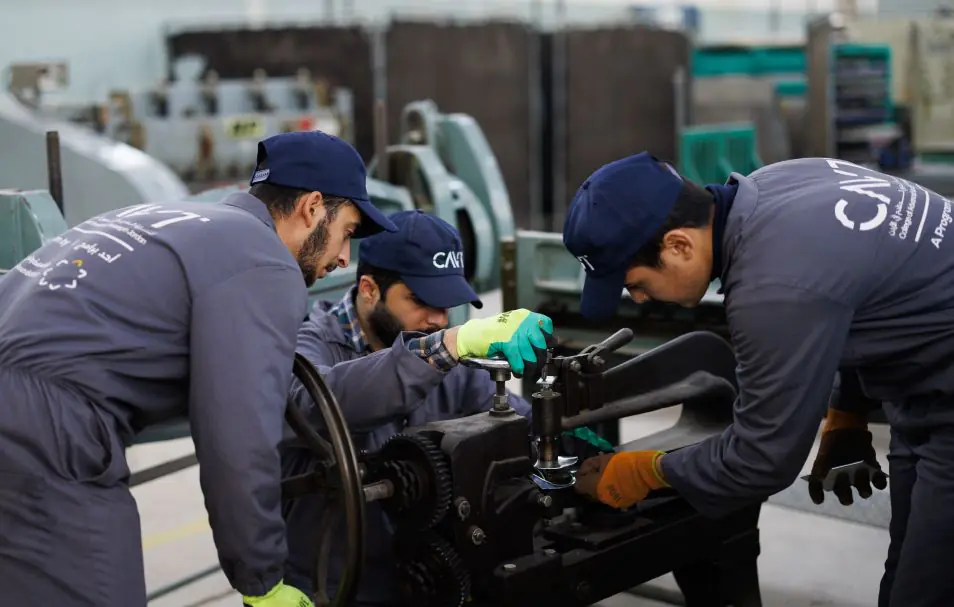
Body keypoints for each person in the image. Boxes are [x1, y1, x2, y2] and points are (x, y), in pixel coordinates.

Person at [0, 130, 402, 607]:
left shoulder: (165, 218)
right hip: (45, 434)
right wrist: (262, 578)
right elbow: (238, 432)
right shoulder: (262, 261)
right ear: (313, 207)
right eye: (348, 233)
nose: (342, 259)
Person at [562, 152, 954, 607]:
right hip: (924, 385)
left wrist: (648, 471)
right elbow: (865, 289)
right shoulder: (775, 183)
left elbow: (763, 458)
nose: (640, 299)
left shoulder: (771, 286)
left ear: (679, 246)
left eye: (636, 283)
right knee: (908, 573)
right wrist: (846, 412)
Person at [281, 209, 538, 605]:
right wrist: (443, 349)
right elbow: (316, 406)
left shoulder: (445, 354)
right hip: (333, 588)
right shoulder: (307, 347)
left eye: (447, 304)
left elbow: (513, 421)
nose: (437, 320)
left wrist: (568, 438)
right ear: (369, 288)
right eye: (421, 300)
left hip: (424, 578)